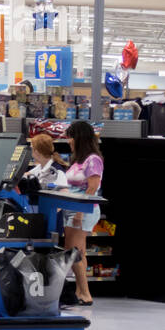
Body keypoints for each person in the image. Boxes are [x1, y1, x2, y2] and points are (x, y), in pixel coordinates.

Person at [61, 120, 105, 307]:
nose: (69, 141)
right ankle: (80, 290)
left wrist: (79, 212)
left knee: (74, 252)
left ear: (79, 137)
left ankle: (85, 293)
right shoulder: (78, 160)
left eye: (71, 137)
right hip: (73, 210)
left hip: (83, 211)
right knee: (76, 252)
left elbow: (92, 188)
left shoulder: (93, 160)